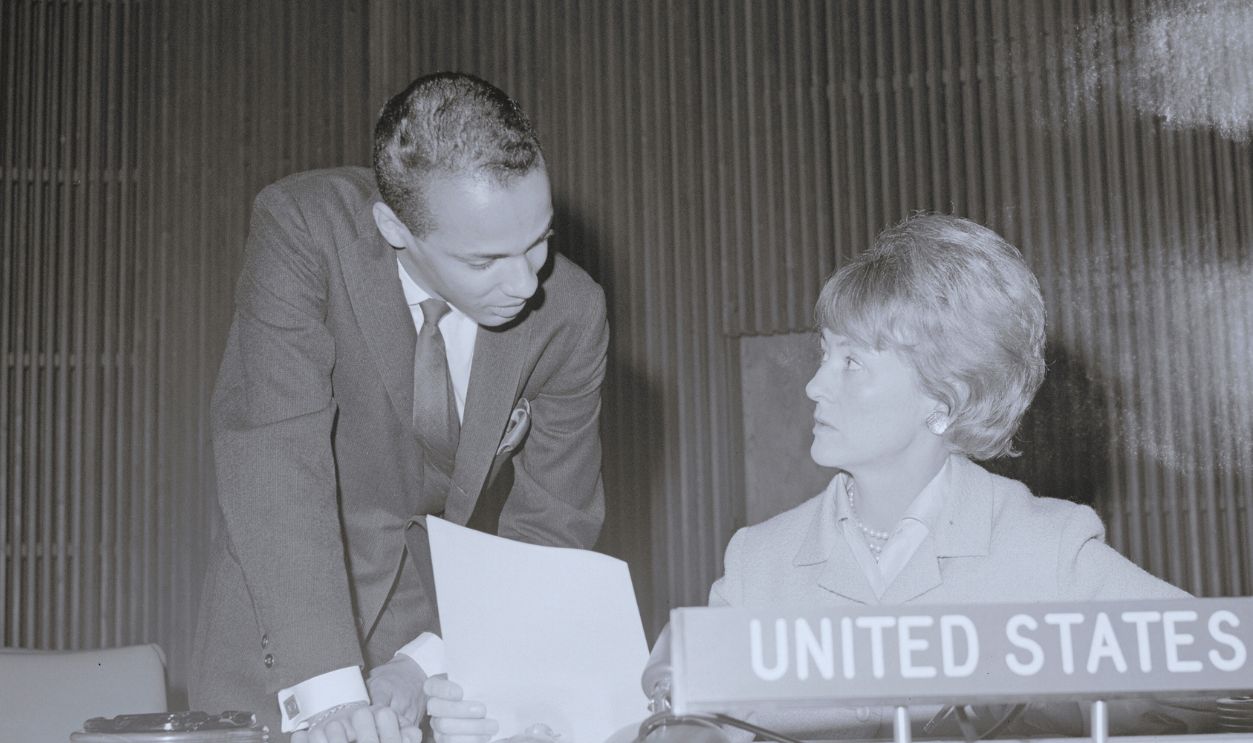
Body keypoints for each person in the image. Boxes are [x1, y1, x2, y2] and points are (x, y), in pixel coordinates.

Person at [643, 214, 1209, 740]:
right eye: (825, 354)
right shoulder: (755, 565)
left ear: (943, 398)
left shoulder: (1050, 551)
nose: (815, 386)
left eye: (852, 362)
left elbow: (1219, 672)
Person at [191, 72, 609, 743]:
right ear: (393, 227)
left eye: (539, 241)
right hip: (283, 630)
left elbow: (551, 531)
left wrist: (422, 666)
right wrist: (329, 697)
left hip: (448, 650)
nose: (526, 283)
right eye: (486, 260)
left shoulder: (572, 310)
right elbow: (275, 466)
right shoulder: (304, 231)